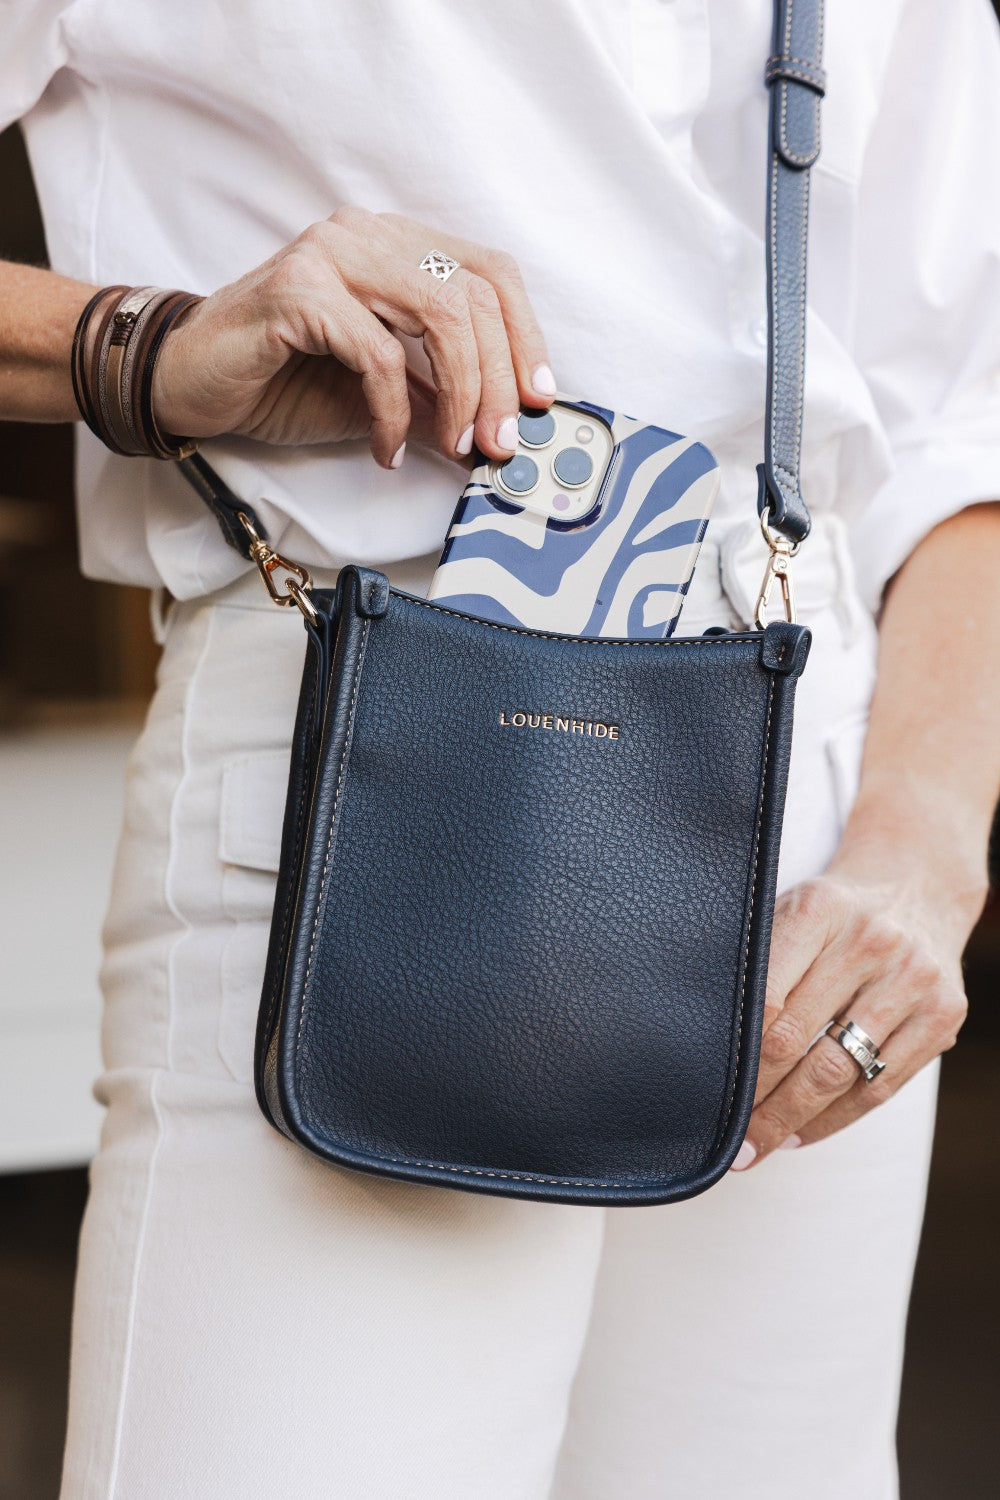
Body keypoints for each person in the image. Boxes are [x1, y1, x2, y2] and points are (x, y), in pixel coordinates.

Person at [2, 2, 999, 1496]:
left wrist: (926, 852)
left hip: (814, 837)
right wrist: (135, 347)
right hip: (372, 765)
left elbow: (956, 414)